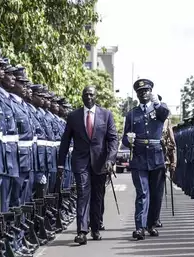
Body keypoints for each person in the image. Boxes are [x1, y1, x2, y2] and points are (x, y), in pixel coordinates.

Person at [58, 86, 118, 245]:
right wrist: (60, 164)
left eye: (91, 94)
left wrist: (111, 159)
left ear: (96, 96)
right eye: (86, 94)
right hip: (81, 162)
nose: (89, 97)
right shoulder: (73, 116)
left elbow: (113, 139)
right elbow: (65, 141)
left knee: (98, 196)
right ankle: (82, 231)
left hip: (100, 163)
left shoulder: (106, 115)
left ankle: (96, 227)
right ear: (82, 97)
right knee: (83, 193)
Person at [122, 79, 171, 240]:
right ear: (137, 94)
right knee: (142, 193)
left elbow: (165, 114)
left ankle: (151, 224)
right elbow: (124, 138)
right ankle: (140, 227)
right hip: (139, 157)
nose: (144, 93)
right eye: (140, 92)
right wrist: (128, 141)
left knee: (156, 194)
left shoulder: (158, 110)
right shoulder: (132, 114)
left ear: (151, 92)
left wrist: (157, 104)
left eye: (146, 91)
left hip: (156, 156)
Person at [151, 94, 176, 229]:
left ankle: (156, 217)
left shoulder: (166, 121)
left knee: (158, 192)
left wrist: (173, 162)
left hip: (161, 158)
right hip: (148, 157)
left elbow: (172, 143)